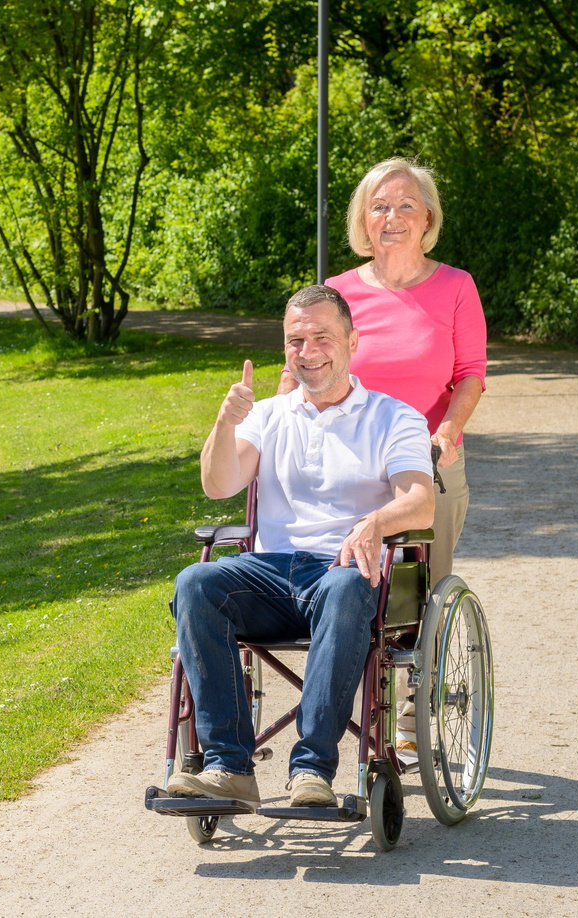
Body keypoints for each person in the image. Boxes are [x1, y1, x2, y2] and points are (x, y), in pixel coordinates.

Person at [165, 285, 435, 809]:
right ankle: (228, 767)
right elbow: (218, 484)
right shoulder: (268, 414)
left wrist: (373, 522)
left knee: (345, 583)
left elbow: (420, 502)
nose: (308, 351)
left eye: (321, 337)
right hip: (269, 574)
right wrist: (225, 422)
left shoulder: (393, 417)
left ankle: (312, 769)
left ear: (353, 342)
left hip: (343, 574)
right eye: (295, 340)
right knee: (195, 582)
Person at [281, 158, 486, 584]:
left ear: (427, 216)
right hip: (348, 453)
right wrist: (272, 426)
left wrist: (447, 432)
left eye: (406, 205)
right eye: (379, 207)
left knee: (418, 591)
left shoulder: (456, 286)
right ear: (363, 219)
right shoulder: (338, 291)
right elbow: (300, 367)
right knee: (345, 580)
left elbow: (470, 374)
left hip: (427, 455)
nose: (392, 218)